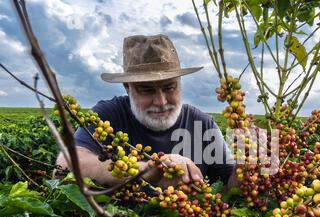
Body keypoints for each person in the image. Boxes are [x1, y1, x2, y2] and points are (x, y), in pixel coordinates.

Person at [55, 34, 238, 191]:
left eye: (169, 87)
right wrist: (147, 171)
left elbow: (225, 187)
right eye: (147, 90)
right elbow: (63, 167)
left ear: (180, 84)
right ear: (127, 87)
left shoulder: (202, 124)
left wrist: (247, 170)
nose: (161, 101)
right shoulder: (108, 115)